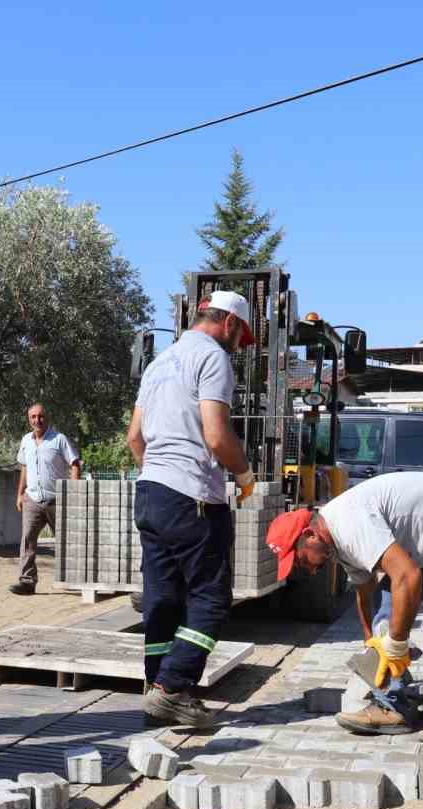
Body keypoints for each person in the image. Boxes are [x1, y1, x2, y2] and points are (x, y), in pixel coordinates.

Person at [267, 471, 423, 747]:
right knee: (384, 613)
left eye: (301, 560)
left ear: (311, 535)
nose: (309, 571)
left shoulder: (348, 526)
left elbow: (409, 576)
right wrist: (372, 644)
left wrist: (396, 642)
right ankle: (394, 706)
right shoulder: (335, 544)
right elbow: (365, 593)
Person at [127, 291, 257, 728]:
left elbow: (134, 439)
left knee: (162, 597)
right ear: (231, 324)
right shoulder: (213, 358)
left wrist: (161, 475)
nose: (239, 345)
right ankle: (173, 689)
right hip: (193, 498)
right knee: (210, 598)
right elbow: (217, 437)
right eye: (242, 336)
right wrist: (244, 476)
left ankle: (155, 686)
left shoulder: (159, 363)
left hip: (149, 493)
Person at [11, 403, 81, 595]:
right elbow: (24, 468)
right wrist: (20, 494)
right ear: (29, 419)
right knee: (28, 540)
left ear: (47, 418)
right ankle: (27, 582)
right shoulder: (26, 440)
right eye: (33, 417)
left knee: (68, 540)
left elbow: (75, 464)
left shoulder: (59, 439)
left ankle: (75, 578)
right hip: (32, 499)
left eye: (40, 416)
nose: (37, 420)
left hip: (57, 499)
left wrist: (73, 493)